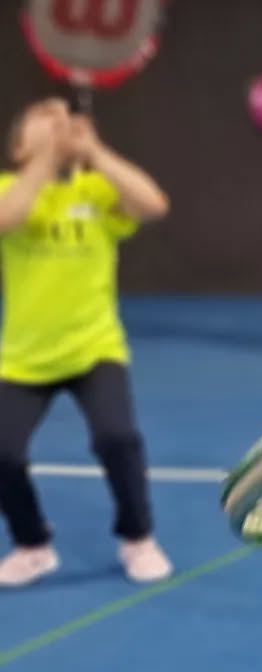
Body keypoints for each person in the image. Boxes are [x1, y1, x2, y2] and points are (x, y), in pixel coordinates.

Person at [0, 100, 173, 588]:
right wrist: (45, 162)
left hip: (94, 348)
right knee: (2, 454)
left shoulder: (97, 191)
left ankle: (137, 537)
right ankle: (32, 544)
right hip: (23, 358)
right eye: (42, 115)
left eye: (64, 116)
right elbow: (7, 217)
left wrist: (95, 151)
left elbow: (154, 204)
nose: (58, 119)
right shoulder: (8, 189)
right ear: (18, 146)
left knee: (117, 438)